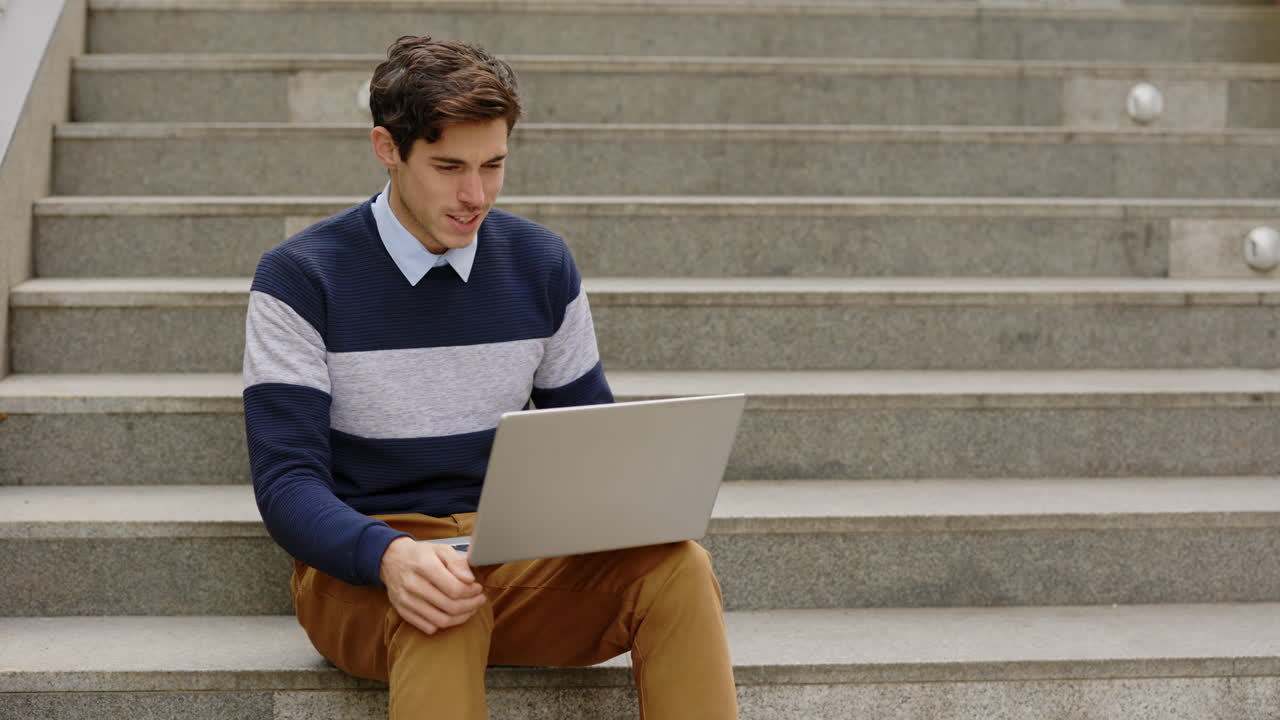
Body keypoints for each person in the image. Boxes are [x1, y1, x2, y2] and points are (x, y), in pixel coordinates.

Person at [242, 36, 739, 719]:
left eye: (494, 164)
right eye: (448, 166)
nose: (475, 195)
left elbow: (589, 443)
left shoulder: (541, 263)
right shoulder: (300, 277)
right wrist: (390, 557)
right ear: (388, 149)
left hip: (511, 560)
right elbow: (286, 484)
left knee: (679, 569)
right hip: (363, 572)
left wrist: (633, 499)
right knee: (441, 609)